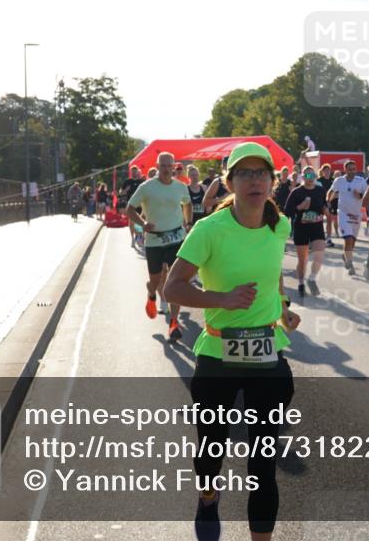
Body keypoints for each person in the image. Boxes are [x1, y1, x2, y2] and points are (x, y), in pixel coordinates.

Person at [162, 142, 301, 541]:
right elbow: (173, 289)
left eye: (262, 173)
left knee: (263, 464)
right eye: (245, 173)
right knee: (211, 449)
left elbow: (273, 275)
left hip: (268, 355)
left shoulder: (280, 225)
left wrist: (283, 307)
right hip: (218, 356)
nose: (254, 180)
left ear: (273, 181)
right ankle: (208, 496)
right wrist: (221, 299)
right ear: (230, 182)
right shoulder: (209, 230)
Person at [125, 152, 193, 341]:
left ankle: (173, 322)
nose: (165, 169)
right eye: (162, 166)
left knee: (176, 282)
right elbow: (129, 209)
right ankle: (151, 292)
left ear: (173, 167)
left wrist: (188, 222)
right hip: (154, 240)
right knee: (156, 281)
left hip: (176, 238)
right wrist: (143, 224)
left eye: (168, 166)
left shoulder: (180, 187)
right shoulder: (147, 187)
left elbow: (187, 204)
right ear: (157, 166)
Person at [283, 165, 328, 298]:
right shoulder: (297, 192)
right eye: (307, 176)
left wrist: (326, 210)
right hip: (301, 228)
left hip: (317, 227)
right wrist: (300, 207)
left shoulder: (320, 190)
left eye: (312, 176)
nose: (310, 178)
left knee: (319, 254)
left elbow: (323, 204)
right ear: (302, 177)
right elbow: (287, 211)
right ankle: (301, 283)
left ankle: (312, 278)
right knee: (303, 260)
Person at [327, 161, 365, 276]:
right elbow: (331, 191)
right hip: (343, 213)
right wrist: (327, 202)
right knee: (348, 239)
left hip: (356, 214)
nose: (352, 171)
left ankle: (346, 256)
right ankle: (350, 264)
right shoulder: (339, 181)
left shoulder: (361, 181)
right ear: (345, 169)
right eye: (350, 169)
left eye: (354, 169)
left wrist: (360, 196)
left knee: (352, 242)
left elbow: (368, 196)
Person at [317, 164, 335, 246]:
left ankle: (329, 238)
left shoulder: (333, 180)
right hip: (320, 202)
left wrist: (329, 201)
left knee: (329, 220)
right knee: (318, 220)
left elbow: (335, 192)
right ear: (322, 171)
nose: (327, 172)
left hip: (329, 203)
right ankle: (319, 238)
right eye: (325, 170)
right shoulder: (319, 180)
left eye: (328, 170)